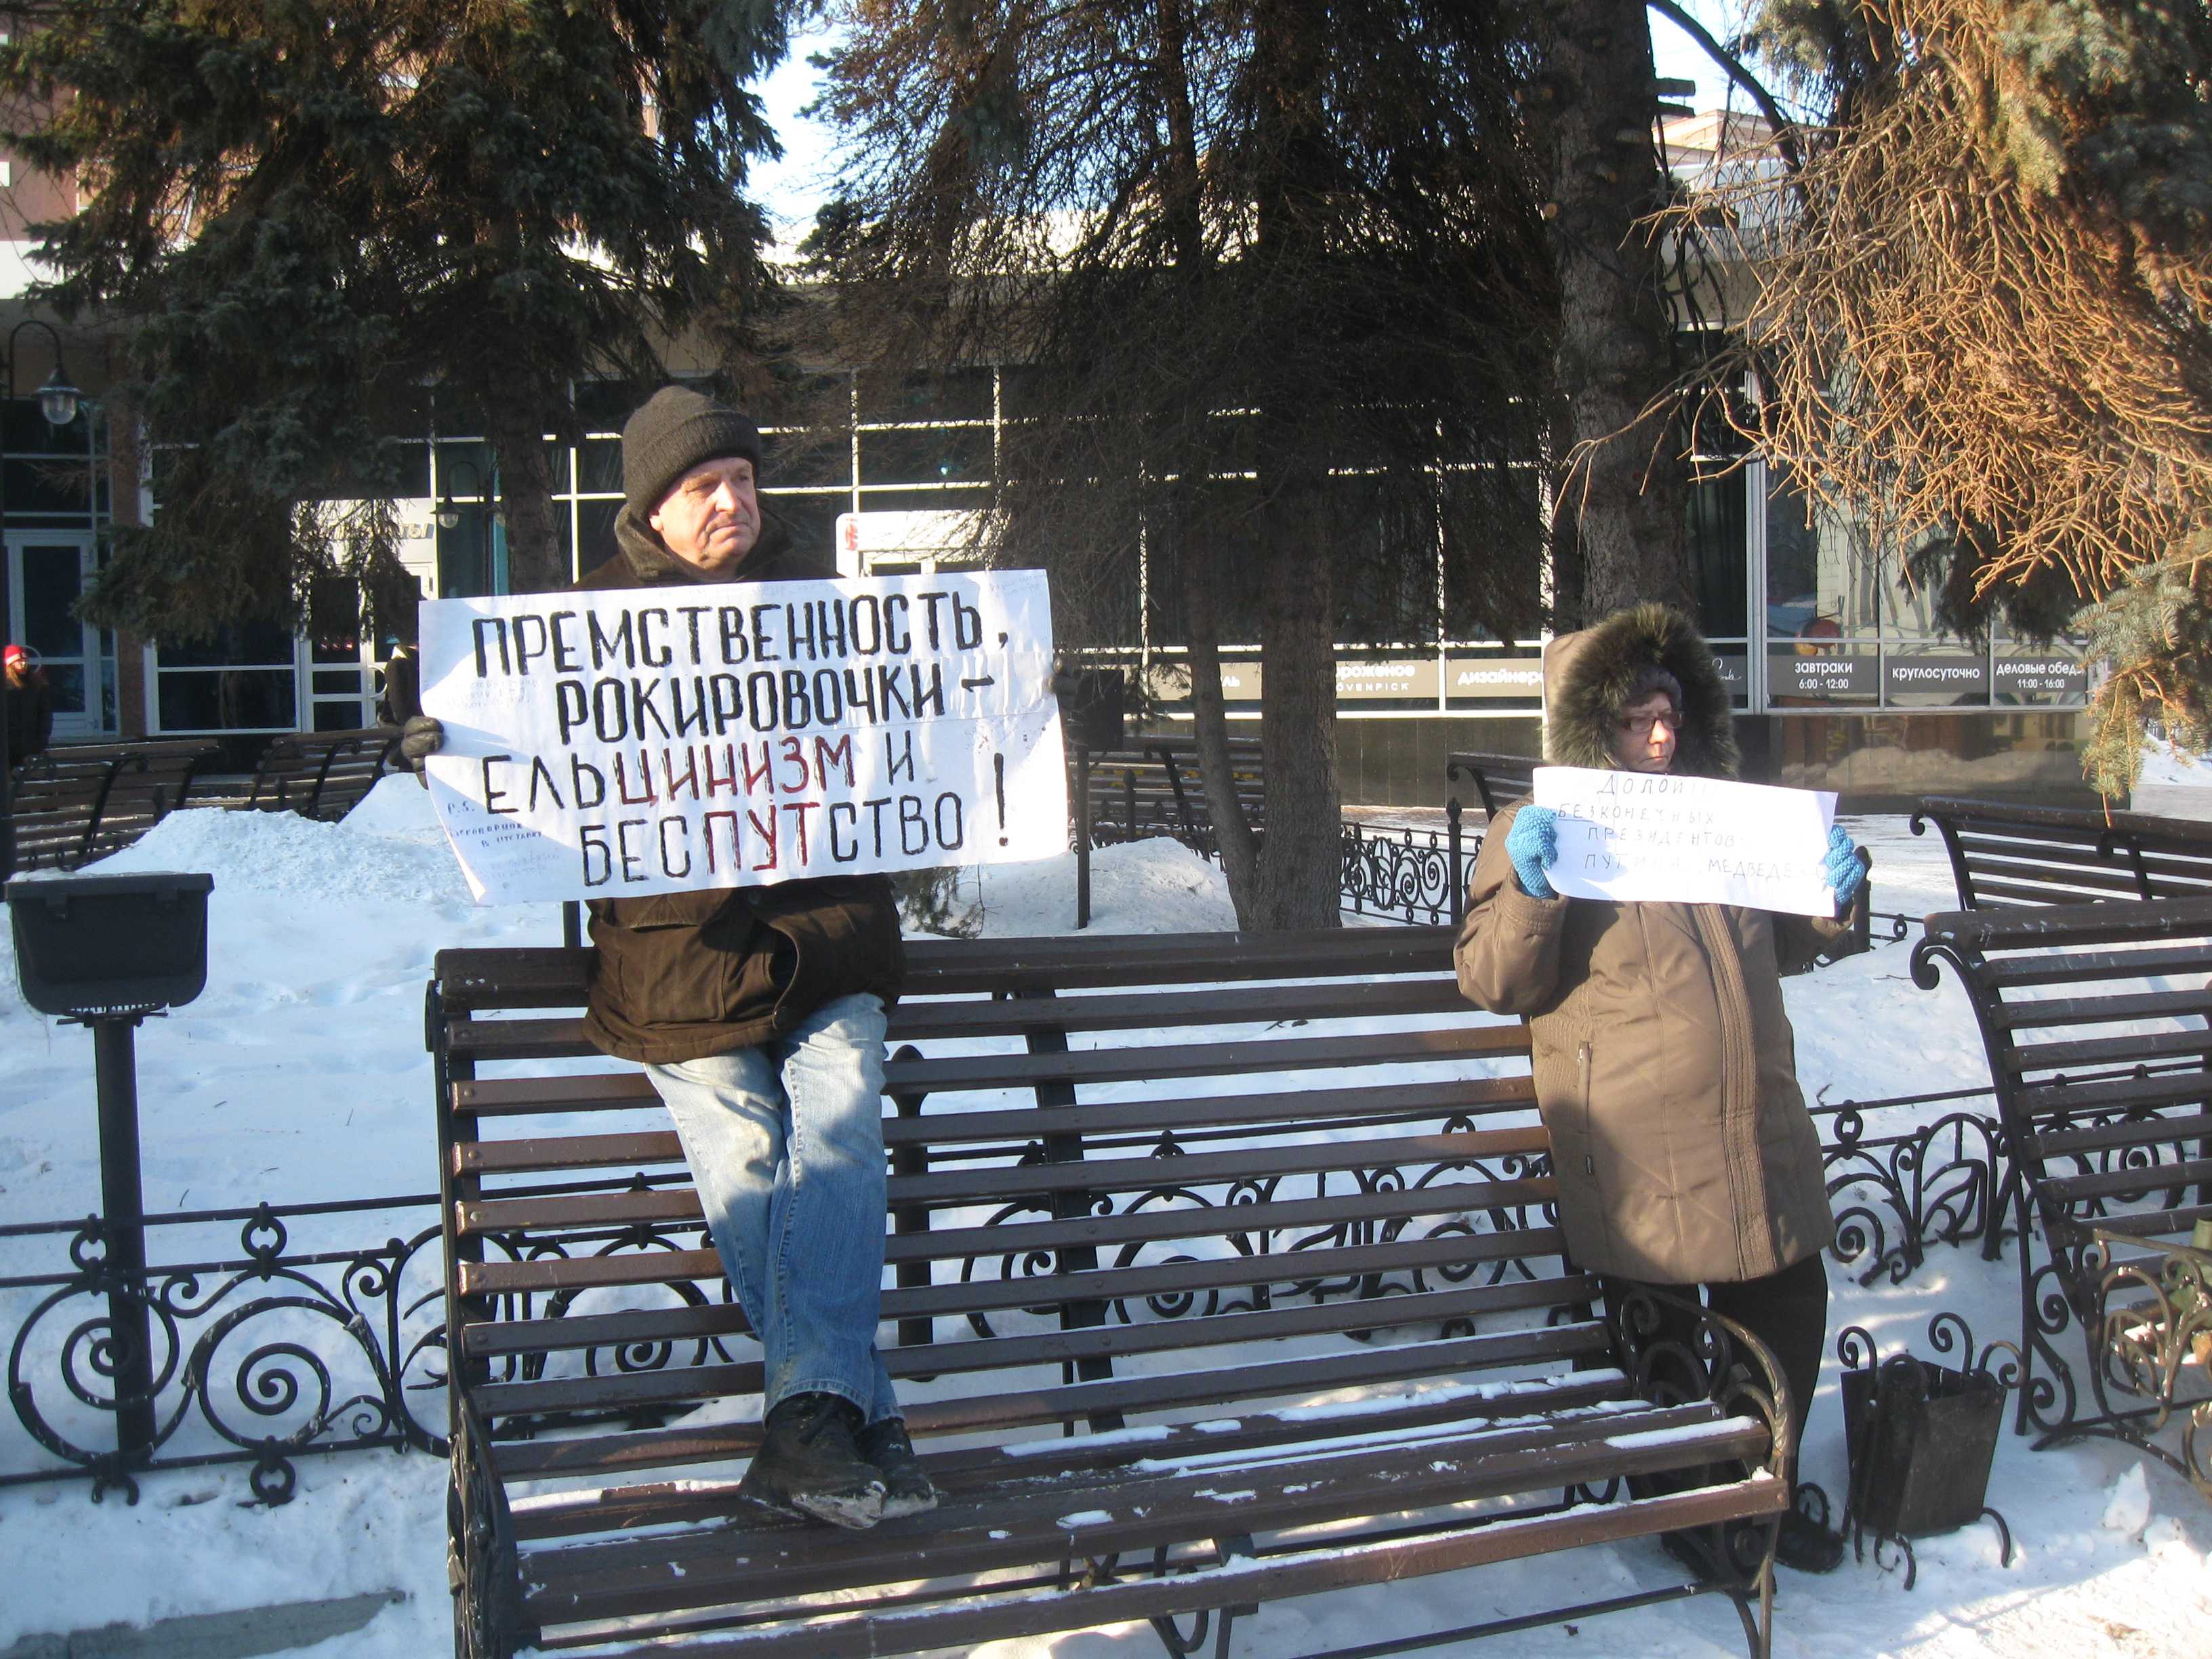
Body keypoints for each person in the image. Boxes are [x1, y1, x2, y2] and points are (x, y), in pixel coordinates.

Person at [400, 387, 924, 1530]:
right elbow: (517, 752)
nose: (732, 499)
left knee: (840, 1115)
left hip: (830, 938)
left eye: (742, 478)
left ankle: (816, 1421)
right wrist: (447, 738)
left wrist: (1009, 706)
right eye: (703, 485)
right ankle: (852, 1414)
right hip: (677, 961)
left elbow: (920, 727)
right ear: (652, 508)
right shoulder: (584, 628)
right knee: (746, 1144)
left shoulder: (827, 607)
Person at [1452, 602, 1862, 1577]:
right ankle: (1692, 1514)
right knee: (1667, 1333)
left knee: (1790, 1301)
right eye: (1637, 719)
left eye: (1670, 713)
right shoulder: (1539, 829)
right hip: (1642, 1147)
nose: (1662, 735)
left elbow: (1788, 940)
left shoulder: (1719, 816)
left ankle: (1759, 1494)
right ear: (1595, 728)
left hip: (1753, 1126)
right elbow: (1492, 976)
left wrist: (1833, 894)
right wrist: (1534, 890)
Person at [4, 643, 54, 768]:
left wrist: (42, 739)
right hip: (9, 748)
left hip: (30, 746)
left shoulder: (37, 685)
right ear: (10, 664)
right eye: (19, 661)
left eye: (25, 660)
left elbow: (45, 714)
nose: (23, 664)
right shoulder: (6, 687)